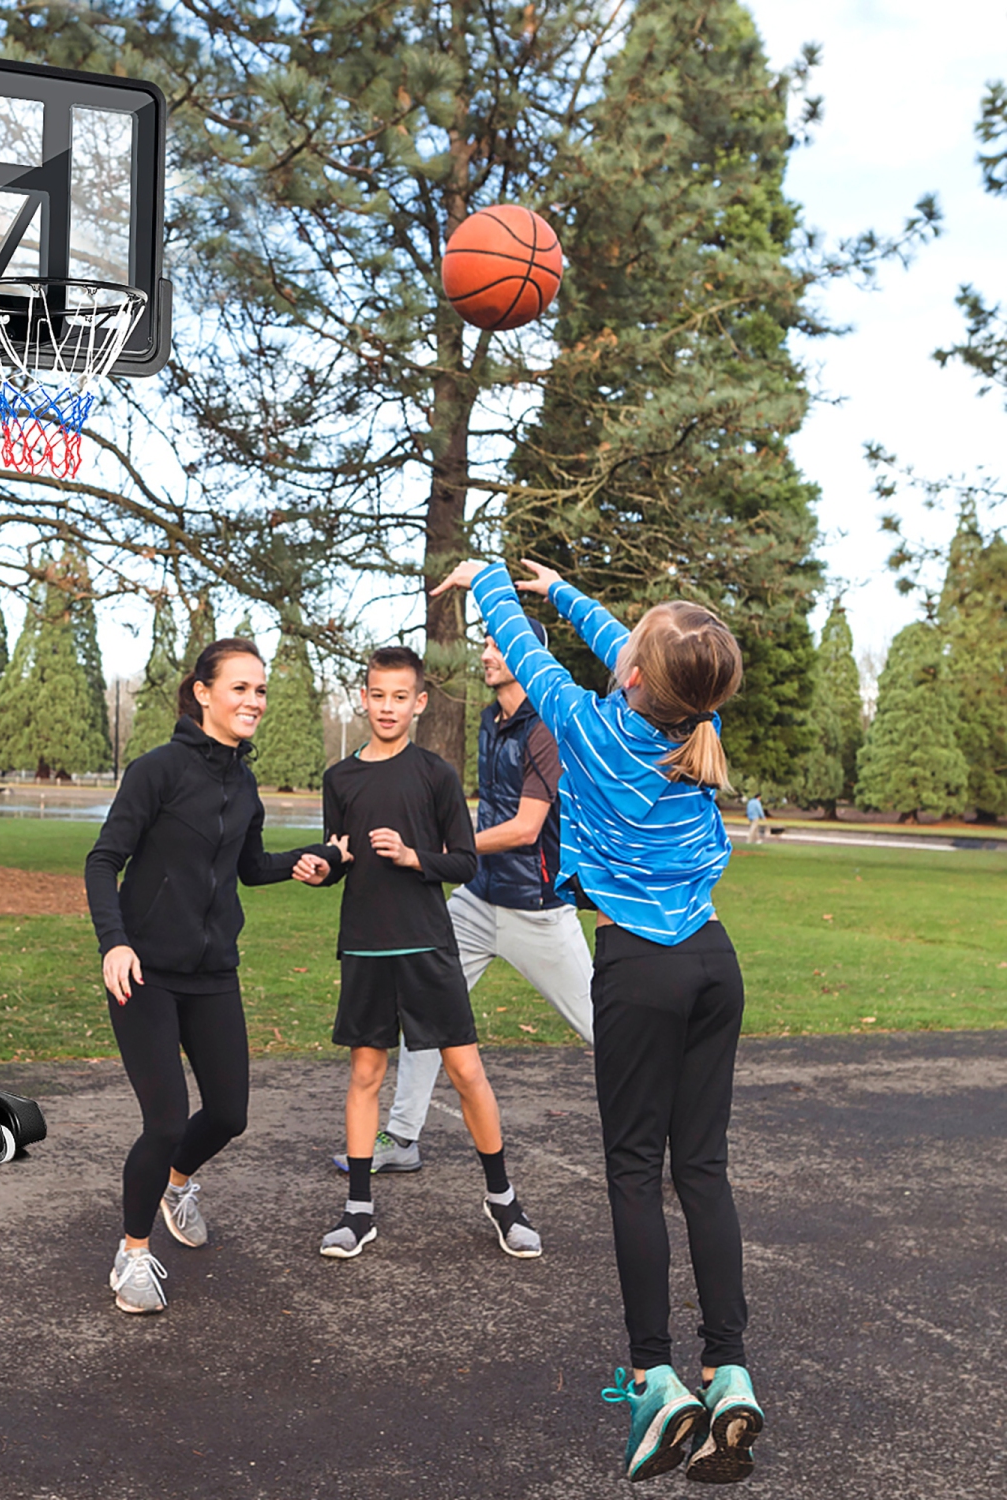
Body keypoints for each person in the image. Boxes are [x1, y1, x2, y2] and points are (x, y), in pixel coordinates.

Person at [433, 558, 764, 1485]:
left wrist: (491, 579)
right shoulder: (699, 719)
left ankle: (657, 1378)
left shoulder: (585, 726)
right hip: (712, 962)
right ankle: (728, 1369)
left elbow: (535, 662)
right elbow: (643, 653)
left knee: (631, 1172)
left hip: (638, 968)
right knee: (702, 1169)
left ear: (632, 678)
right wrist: (563, 592)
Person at [84, 638, 335, 1315]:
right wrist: (115, 943)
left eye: (260, 691)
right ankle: (132, 1257)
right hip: (144, 973)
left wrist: (304, 861)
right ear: (203, 692)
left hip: (214, 971)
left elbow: (248, 867)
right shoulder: (156, 771)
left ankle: (175, 1185)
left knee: (229, 1113)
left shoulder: (244, 783)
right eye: (241, 688)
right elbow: (103, 861)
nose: (254, 700)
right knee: (164, 1119)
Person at [293, 646, 542, 1261]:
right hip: (365, 947)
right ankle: (358, 1211)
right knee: (366, 1076)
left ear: (418, 703)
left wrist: (411, 857)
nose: (387, 706)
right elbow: (340, 858)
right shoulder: (339, 777)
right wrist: (320, 868)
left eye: (399, 697)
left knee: (466, 1072)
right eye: (377, 695)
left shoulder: (436, 775)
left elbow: (462, 859)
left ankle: (503, 1199)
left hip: (428, 944)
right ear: (363, 697)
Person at [334, 620, 594, 1176]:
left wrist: (433, 850)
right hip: (477, 900)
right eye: (487, 643)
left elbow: (525, 828)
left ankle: (668, 1136)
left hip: (536, 907)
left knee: (605, 1026)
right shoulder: (490, 720)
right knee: (425, 1015)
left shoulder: (545, 728)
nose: (486, 653)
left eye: (499, 645)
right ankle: (401, 1138)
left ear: (529, 655)